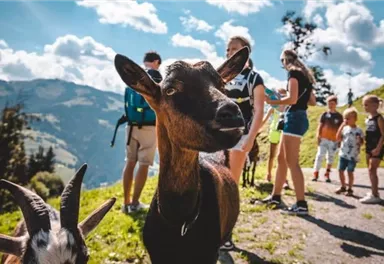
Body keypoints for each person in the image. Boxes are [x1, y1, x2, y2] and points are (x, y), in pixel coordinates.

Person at [221, 36, 265, 250]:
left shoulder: (254, 78)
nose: (230, 53)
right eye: (228, 49)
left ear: (245, 52)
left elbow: (259, 110)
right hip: (217, 138)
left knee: (230, 185)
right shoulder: (220, 77)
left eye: (235, 49)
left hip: (240, 138)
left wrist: (250, 137)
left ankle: (226, 234)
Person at [261, 49, 316, 216]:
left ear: (285, 60)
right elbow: (312, 101)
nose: (283, 66)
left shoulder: (293, 73)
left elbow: (292, 99)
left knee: (292, 161)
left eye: (282, 62)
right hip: (298, 117)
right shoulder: (306, 76)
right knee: (281, 159)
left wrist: (272, 101)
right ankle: (275, 197)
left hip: (294, 118)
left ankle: (301, 204)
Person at [121, 51, 162, 214]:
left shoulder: (134, 77)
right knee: (144, 164)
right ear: (157, 62)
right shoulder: (156, 77)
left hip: (131, 126)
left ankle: (125, 203)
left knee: (130, 162)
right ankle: (135, 203)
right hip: (149, 128)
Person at [261, 89, 290, 189]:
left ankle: (284, 180)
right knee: (272, 155)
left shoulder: (288, 108)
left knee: (283, 157)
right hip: (274, 132)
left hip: (284, 132)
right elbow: (264, 120)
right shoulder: (273, 108)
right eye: (280, 95)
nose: (281, 97)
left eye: (284, 95)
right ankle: (268, 175)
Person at [312, 95, 343, 182]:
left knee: (331, 157)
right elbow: (320, 126)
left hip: (334, 140)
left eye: (332, 103)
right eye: (329, 103)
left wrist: (340, 139)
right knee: (319, 155)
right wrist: (318, 135)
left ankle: (327, 174)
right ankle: (316, 173)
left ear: (336, 104)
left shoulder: (339, 116)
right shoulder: (325, 115)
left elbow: (341, 129)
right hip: (324, 139)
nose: (330, 105)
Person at [360, 95, 384, 204]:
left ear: (375, 105)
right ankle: (374, 192)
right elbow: (370, 133)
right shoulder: (368, 119)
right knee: (370, 170)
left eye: (366, 105)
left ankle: (375, 196)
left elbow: (383, 135)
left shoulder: (379, 118)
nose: (364, 107)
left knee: (372, 169)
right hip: (368, 148)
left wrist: (378, 148)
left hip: (377, 148)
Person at [335, 108, 364, 196]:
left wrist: (360, 141)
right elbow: (338, 138)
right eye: (345, 118)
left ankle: (350, 188)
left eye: (348, 118)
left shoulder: (359, 130)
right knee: (340, 170)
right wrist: (341, 126)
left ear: (355, 119)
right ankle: (343, 186)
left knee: (350, 172)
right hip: (343, 154)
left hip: (352, 155)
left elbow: (362, 142)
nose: (346, 120)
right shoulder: (345, 129)